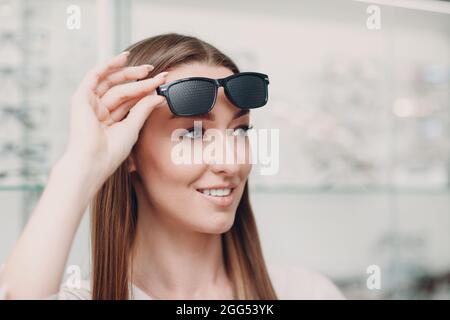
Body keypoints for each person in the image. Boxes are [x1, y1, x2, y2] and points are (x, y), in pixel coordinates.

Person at [0, 33, 344, 300]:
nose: (230, 161)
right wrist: (82, 164)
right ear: (129, 152)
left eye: (240, 131)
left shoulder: (304, 291)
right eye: (193, 134)